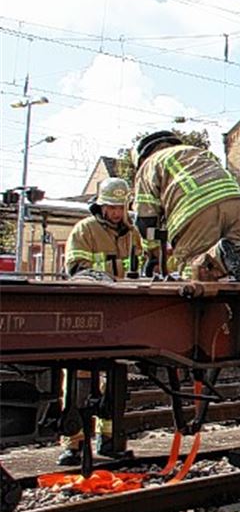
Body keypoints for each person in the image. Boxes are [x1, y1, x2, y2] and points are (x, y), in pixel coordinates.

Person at [59, 177, 141, 464]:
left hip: (119, 315)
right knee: (80, 378)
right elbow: (76, 269)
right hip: (87, 312)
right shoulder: (85, 231)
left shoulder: (133, 234)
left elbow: (143, 267)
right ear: (101, 205)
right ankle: (74, 444)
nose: (117, 213)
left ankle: (110, 439)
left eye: (121, 207)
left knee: (116, 378)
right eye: (111, 207)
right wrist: (111, 278)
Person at [132, 130, 240, 280]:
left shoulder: (149, 165)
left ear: (142, 158)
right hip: (234, 201)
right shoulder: (197, 153)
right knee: (238, 264)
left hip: (194, 208)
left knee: (195, 270)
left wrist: (152, 253)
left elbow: (146, 220)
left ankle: (220, 261)